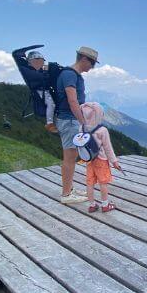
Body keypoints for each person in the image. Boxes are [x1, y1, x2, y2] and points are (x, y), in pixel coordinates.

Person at [56, 46, 98, 204]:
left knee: (71, 157)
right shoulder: (69, 75)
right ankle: (66, 195)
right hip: (70, 120)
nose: (92, 67)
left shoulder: (71, 75)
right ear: (84, 59)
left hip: (69, 119)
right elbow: (73, 101)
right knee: (69, 157)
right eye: (92, 63)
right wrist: (83, 122)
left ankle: (69, 189)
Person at [80, 102, 122, 212]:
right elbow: (108, 148)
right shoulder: (102, 130)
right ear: (98, 115)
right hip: (101, 160)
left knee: (90, 182)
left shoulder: (82, 128)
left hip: (89, 160)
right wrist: (114, 162)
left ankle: (92, 204)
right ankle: (105, 205)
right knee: (103, 183)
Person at [11, 47, 57, 133]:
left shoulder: (34, 70)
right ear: (31, 62)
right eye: (37, 61)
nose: (40, 63)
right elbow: (40, 78)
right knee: (51, 104)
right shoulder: (28, 71)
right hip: (40, 91)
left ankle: (52, 122)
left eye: (41, 61)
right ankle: (49, 123)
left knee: (53, 104)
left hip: (44, 90)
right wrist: (47, 72)